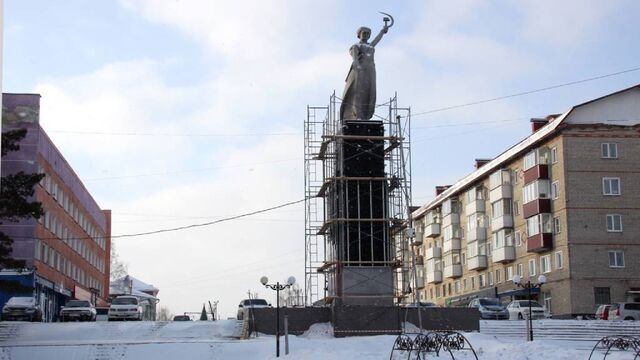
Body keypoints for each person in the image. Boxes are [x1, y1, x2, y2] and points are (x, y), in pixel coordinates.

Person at [340, 23, 390, 121]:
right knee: (358, 93)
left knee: (369, 92)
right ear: (359, 34)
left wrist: (382, 32)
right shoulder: (356, 46)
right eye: (364, 33)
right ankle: (357, 115)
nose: (366, 34)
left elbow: (376, 41)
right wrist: (357, 66)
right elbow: (354, 59)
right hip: (360, 72)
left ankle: (365, 115)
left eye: (368, 33)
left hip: (370, 71)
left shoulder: (370, 46)